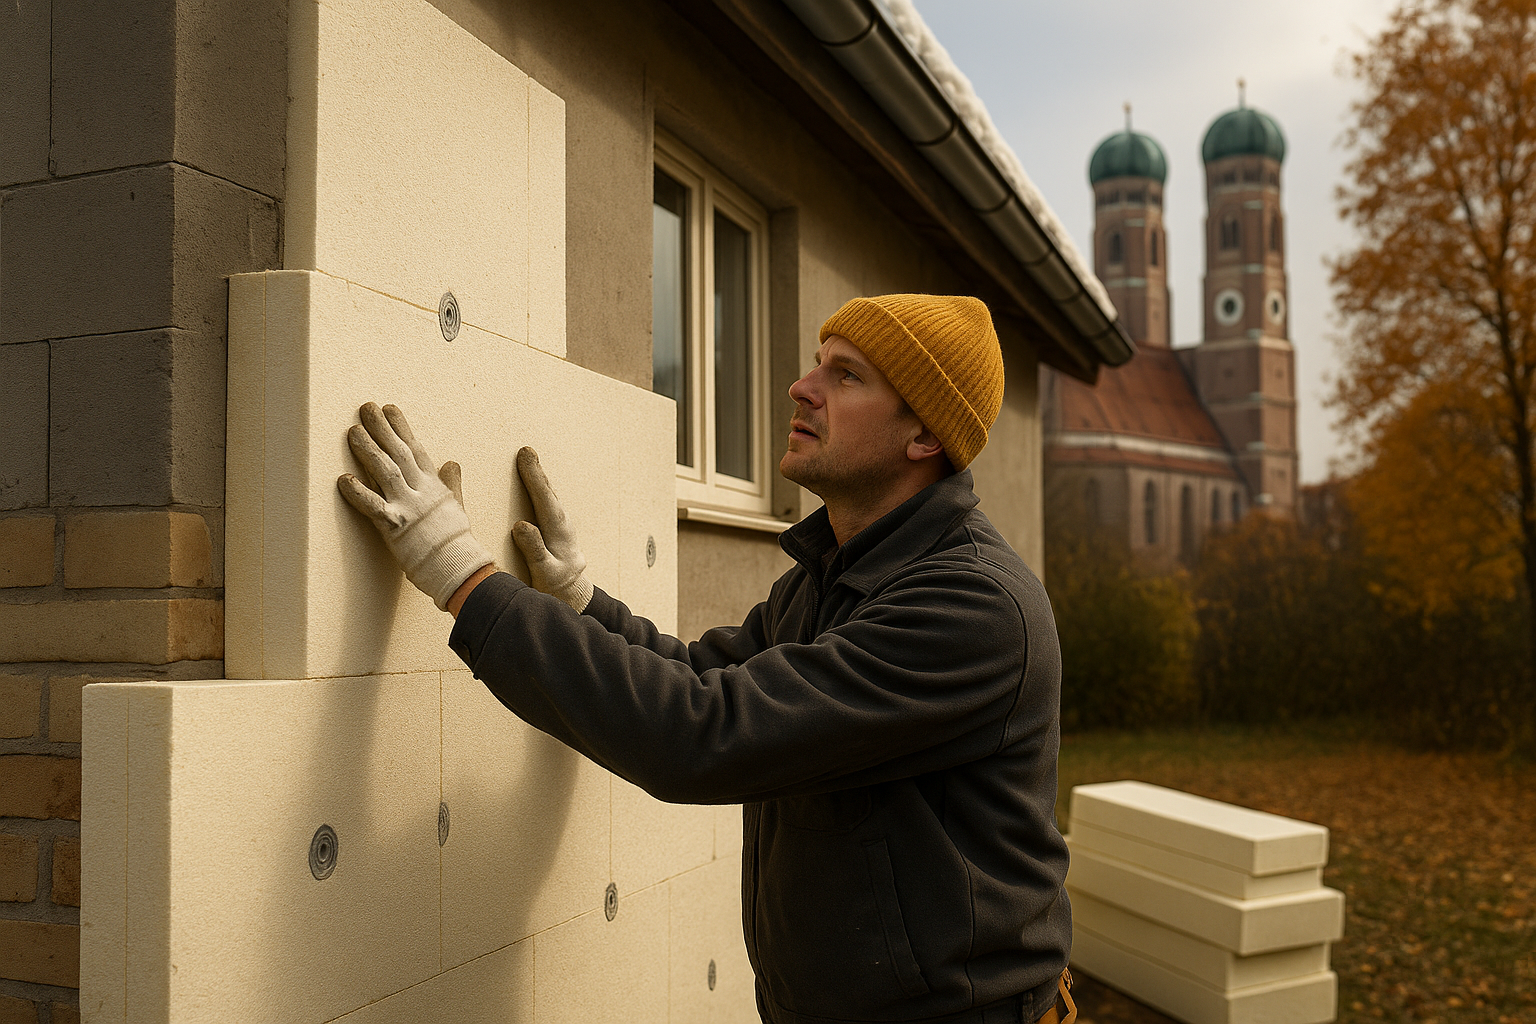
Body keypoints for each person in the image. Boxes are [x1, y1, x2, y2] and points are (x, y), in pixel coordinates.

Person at [338, 294, 1075, 1024]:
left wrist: (460, 575)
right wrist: (579, 601)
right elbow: (700, 676)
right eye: (817, 364)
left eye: (846, 376)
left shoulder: (971, 608)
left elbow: (702, 735)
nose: (802, 387)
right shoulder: (828, 580)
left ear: (923, 435)